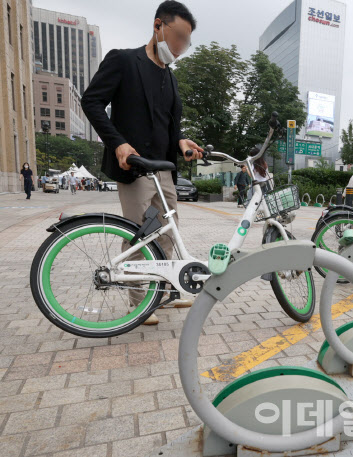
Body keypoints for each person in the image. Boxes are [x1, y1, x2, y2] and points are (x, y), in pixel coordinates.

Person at [82, 0, 202, 325]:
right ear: (158, 26)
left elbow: (170, 126)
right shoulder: (123, 61)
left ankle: (159, 295)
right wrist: (118, 143)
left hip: (164, 169)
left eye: (185, 42)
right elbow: (91, 101)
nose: (179, 47)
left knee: (165, 233)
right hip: (134, 167)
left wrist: (182, 142)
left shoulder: (172, 79)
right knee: (138, 234)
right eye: (177, 37)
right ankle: (139, 304)